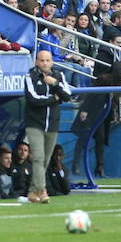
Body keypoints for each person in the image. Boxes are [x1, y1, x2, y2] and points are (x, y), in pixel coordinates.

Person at [23, 49, 72, 202]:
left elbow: (68, 95)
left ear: (52, 61)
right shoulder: (30, 76)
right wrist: (55, 98)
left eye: (47, 60)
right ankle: (42, 190)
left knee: (45, 159)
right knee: (38, 157)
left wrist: (55, 84)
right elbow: (34, 99)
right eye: (42, 60)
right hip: (34, 123)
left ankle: (32, 191)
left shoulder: (59, 75)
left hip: (52, 123)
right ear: (37, 61)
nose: (45, 63)